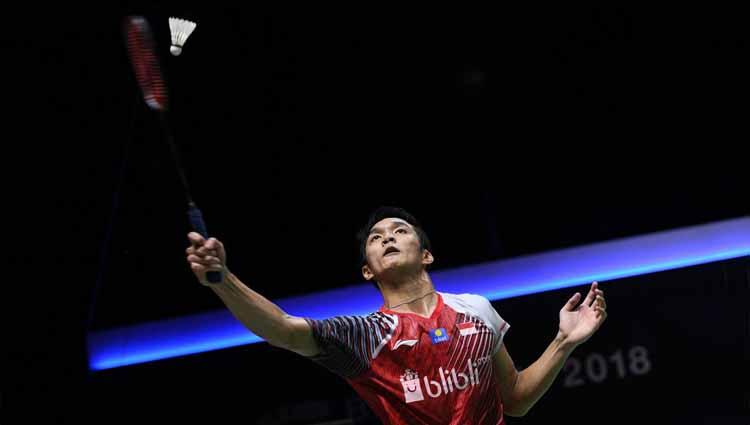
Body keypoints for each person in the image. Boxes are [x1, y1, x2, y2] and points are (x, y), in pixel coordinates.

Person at [185, 206, 607, 424]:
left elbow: (514, 401)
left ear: (426, 255)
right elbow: (281, 329)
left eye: (399, 231)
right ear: (367, 269)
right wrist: (222, 280)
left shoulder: (476, 311)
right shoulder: (364, 336)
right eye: (376, 237)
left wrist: (564, 341)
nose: (387, 237)